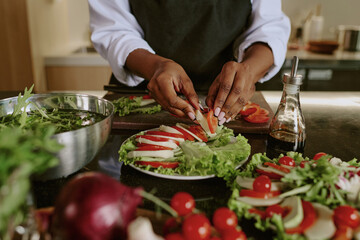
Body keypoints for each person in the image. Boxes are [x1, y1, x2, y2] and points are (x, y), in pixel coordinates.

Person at [88, 0, 290, 125]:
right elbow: (113, 29)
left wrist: (248, 70)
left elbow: (269, 26)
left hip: (229, 91)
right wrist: (155, 67)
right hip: (143, 89)